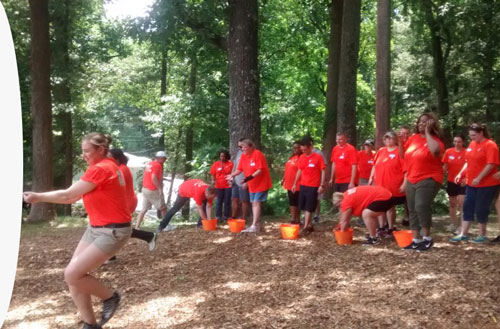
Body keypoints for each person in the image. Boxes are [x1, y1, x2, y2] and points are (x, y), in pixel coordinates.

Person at [23, 133, 130, 329]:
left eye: (87, 151)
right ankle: (90, 325)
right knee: (76, 279)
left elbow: (67, 196)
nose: (84, 155)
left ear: (101, 149)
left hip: (112, 231)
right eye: (82, 151)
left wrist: (37, 197)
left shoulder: (102, 169)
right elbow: (73, 198)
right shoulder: (102, 168)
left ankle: (111, 297)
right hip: (96, 228)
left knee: (72, 274)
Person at [401, 112, 445, 252]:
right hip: (412, 178)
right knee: (412, 209)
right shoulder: (413, 138)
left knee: (421, 205)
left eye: (425, 122)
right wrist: (399, 142)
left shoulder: (435, 140)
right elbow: (403, 156)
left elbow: (434, 151)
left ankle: (427, 238)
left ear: (431, 123)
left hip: (429, 177)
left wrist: (427, 132)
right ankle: (416, 240)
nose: (421, 123)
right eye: (420, 121)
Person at [450, 124, 500, 243]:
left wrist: (479, 177)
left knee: (481, 207)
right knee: (467, 206)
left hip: (487, 184)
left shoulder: (490, 145)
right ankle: (463, 233)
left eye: (474, 135)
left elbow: (491, 164)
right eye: (470, 136)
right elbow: (468, 161)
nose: (472, 138)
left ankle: (482, 234)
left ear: (481, 133)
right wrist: (461, 174)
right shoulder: (472, 144)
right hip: (471, 183)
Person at [109, 149, 158, 254]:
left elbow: (112, 186)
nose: (107, 160)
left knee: (116, 228)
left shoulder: (122, 170)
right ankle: (149, 236)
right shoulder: (119, 168)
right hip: (123, 202)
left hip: (127, 202)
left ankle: (110, 256)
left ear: (117, 159)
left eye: (110, 158)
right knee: (116, 228)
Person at [227, 139, 272, 233]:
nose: (242, 149)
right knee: (253, 203)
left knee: (256, 202)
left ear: (251, 146)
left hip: (262, 183)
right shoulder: (243, 156)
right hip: (252, 184)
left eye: (244, 146)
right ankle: (257, 225)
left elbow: (260, 170)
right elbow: (239, 170)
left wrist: (248, 178)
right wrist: (232, 175)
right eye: (241, 147)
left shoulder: (257, 154)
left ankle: (254, 225)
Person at [369, 131, 405, 237]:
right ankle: (381, 227)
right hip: (380, 183)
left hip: (393, 183)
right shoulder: (380, 151)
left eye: (390, 138)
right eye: (386, 138)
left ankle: (391, 227)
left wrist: (404, 183)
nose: (388, 140)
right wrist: (371, 178)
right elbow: (374, 165)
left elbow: (405, 168)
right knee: (380, 206)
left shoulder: (399, 151)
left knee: (390, 207)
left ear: (395, 139)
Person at [292, 136, 326, 234]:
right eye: (302, 150)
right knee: (303, 206)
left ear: (310, 146)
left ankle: (305, 226)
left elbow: (323, 170)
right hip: (303, 185)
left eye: (305, 149)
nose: (303, 151)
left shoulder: (318, 157)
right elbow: (300, 170)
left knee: (309, 207)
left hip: (313, 185)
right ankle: (309, 225)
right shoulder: (302, 157)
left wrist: (322, 185)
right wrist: (295, 183)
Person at [136, 151, 169, 230]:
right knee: (163, 208)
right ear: (160, 158)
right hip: (153, 189)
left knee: (144, 209)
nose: (165, 160)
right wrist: (159, 188)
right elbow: (153, 177)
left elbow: (150, 175)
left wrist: (163, 179)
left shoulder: (150, 164)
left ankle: (137, 227)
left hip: (145, 189)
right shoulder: (158, 165)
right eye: (164, 158)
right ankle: (165, 226)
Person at [441, 135, 466, 234]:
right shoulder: (448, 152)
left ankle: (462, 226)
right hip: (451, 181)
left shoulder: (466, 152)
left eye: (459, 142)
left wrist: (467, 178)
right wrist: (439, 177)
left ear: (463, 142)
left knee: (462, 203)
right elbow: (445, 166)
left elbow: (471, 167)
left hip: (463, 182)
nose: (457, 144)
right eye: (455, 141)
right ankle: (452, 224)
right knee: (452, 204)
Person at [281, 141, 302, 224]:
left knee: (297, 201)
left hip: (297, 183)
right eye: (294, 148)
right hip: (289, 183)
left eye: (297, 147)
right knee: (292, 201)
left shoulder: (302, 157)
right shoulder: (291, 157)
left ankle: (296, 219)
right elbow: (287, 169)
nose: (296, 149)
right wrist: (283, 179)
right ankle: (293, 218)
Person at [210, 149, 234, 224]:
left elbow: (233, 174)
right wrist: (213, 181)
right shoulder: (216, 164)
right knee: (218, 202)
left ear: (226, 156)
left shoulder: (231, 164)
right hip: (218, 186)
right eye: (221, 156)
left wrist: (232, 181)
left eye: (223, 156)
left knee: (227, 202)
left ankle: (226, 217)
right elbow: (212, 174)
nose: (222, 158)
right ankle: (218, 217)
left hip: (228, 186)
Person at [231, 138, 250, 220]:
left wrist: (247, 181)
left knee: (244, 200)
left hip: (243, 180)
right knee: (234, 199)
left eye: (241, 146)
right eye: (238, 146)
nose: (240, 148)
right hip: (236, 181)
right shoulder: (239, 153)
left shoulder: (249, 154)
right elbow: (235, 165)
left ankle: (243, 218)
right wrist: (232, 176)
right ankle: (233, 216)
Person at [397, 125, 411, 226]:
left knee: (409, 198)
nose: (405, 136)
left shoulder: (411, 144)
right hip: (398, 174)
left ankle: (408, 217)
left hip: (410, 174)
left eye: (407, 133)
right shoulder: (396, 144)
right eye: (403, 133)